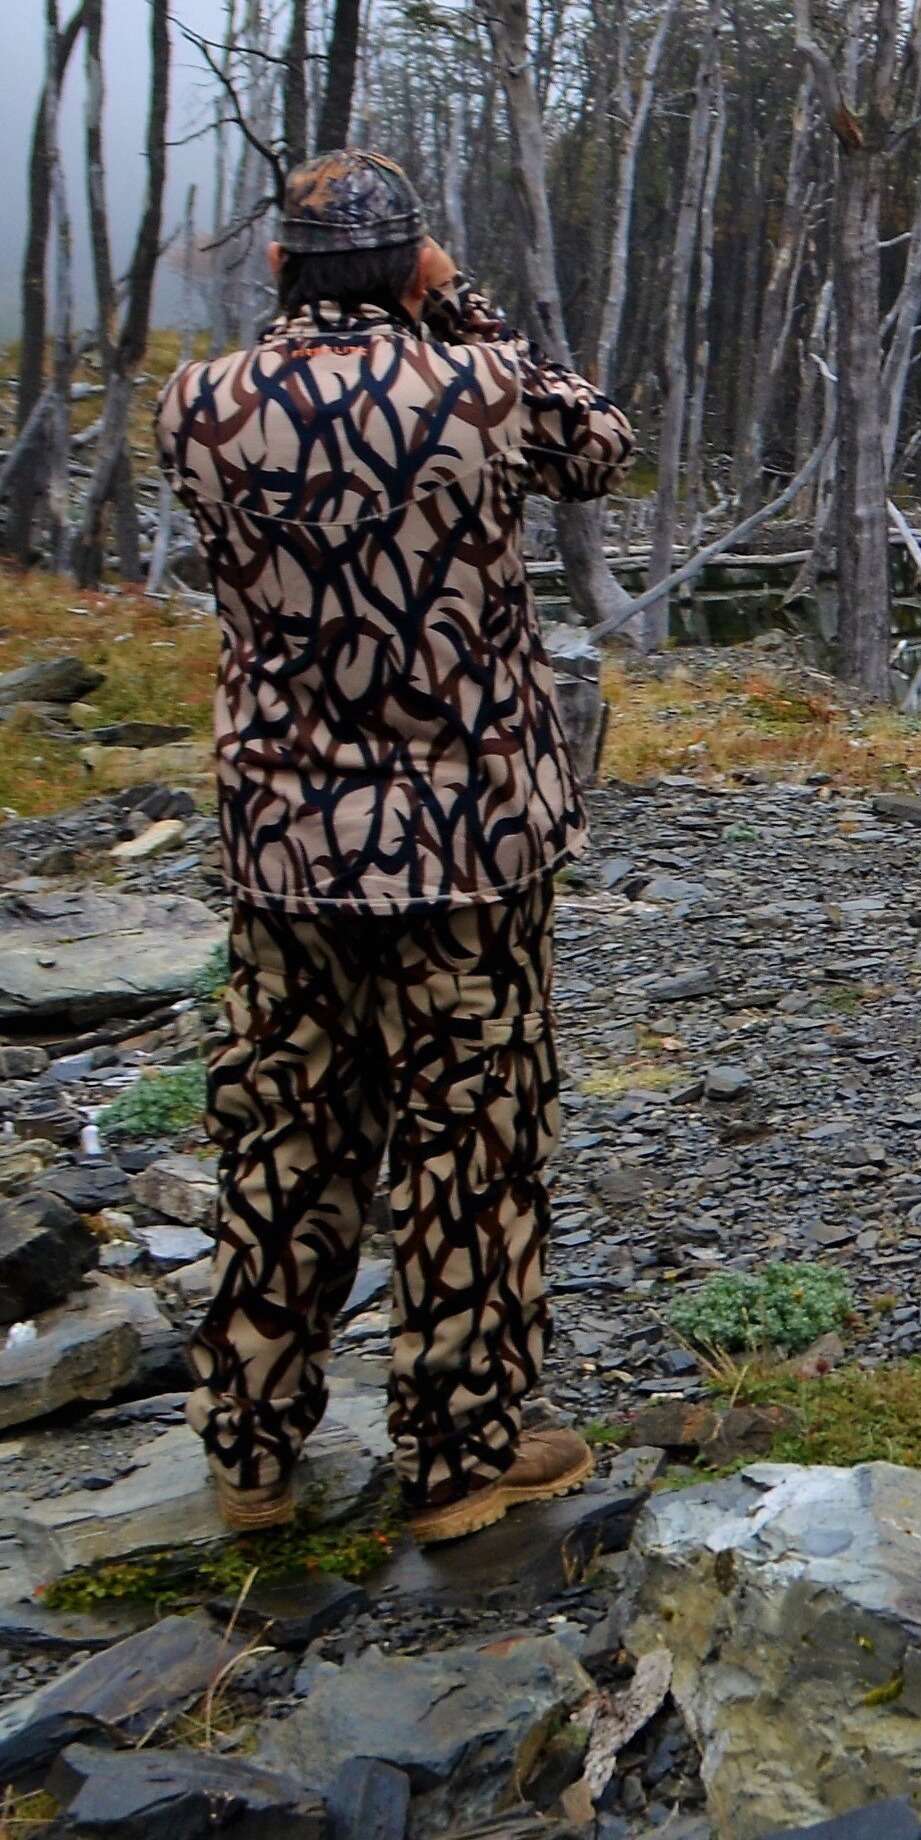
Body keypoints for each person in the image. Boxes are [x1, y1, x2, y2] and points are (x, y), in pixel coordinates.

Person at [160, 150, 634, 1547]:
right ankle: (460, 1455)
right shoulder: (478, 389)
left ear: (276, 268)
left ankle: (251, 1451)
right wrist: (464, 307)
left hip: (288, 837)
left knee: (285, 1135)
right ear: (411, 265)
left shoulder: (198, 406)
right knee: (471, 1144)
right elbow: (597, 440)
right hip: (470, 838)